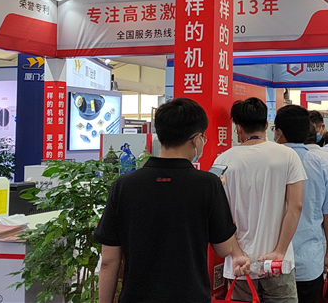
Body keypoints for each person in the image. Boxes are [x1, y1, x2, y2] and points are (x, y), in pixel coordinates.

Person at [95, 98, 251, 303]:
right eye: (203, 138)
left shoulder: (123, 185)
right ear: (196, 139)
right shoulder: (207, 185)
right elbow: (223, 248)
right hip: (190, 297)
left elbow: (108, 261)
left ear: (160, 135)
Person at [216, 97, 306, 303]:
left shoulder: (223, 160)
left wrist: (237, 254)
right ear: (266, 124)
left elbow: (219, 216)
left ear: (238, 128)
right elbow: (296, 206)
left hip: (240, 266)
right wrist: (280, 252)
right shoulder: (288, 156)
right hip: (277, 265)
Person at [275, 106, 328, 303]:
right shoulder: (322, 165)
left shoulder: (269, 163)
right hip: (309, 261)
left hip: (272, 262)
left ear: (278, 133)